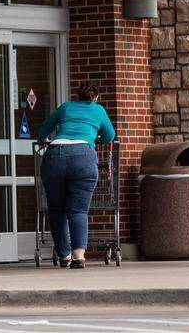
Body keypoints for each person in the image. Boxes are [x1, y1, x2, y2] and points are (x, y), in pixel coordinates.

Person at [36, 82, 116, 269]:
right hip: (83, 157)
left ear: (78, 95)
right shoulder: (98, 110)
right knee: (78, 210)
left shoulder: (66, 107)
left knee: (57, 210)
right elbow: (109, 135)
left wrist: (42, 140)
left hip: (55, 155)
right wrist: (98, 139)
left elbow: (45, 128)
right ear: (95, 97)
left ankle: (64, 255)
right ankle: (79, 255)